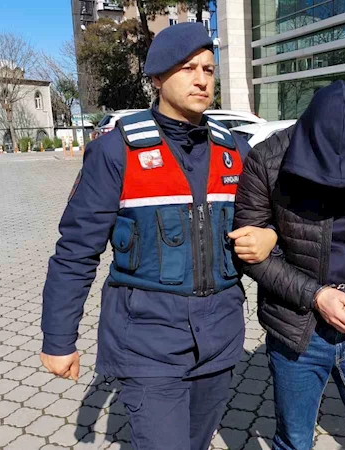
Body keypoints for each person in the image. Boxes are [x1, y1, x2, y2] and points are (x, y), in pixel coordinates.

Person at [39, 23, 276, 450]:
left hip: (220, 336)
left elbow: (271, 218)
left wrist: (269, 236)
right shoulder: (117, 151)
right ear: (156, 78)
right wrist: (59, 339)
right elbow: (76, 251)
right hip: (147, 339)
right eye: (188, 68)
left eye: (208, 69)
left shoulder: (235, 152)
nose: (202, 80)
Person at [233, 80, 345, 450]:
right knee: (295, 441)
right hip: (297, 329)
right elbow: (250, 252)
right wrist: (317, 296)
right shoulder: (267, 160)